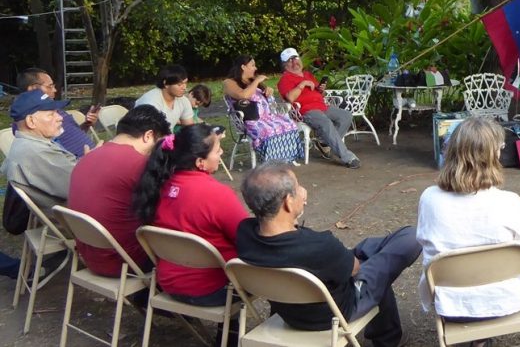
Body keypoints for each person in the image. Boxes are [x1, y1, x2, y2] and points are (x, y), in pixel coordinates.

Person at [237, 163, 419, 347]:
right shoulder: (320, 245)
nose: (303, 191)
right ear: (287, 201)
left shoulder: (244, 234)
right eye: (298, 186)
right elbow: (355, 269)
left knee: (370, 254)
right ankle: (387, 340)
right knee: (411, 238)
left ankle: (388, 337)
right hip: (334, 314)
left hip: (289, 312)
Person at [416, 117, 520, 330]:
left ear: (451, 152)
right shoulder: (511, 203)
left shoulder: (429, 199)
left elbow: (426, 246)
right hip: (506, 301)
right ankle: (480, 339)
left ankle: (478, 339)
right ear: (494, 155)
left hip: (451, 305)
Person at [131, 124, 247, 307]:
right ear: (200, 162)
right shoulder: (217, 194)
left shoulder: (156, 187)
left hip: (169, 283)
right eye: (217, 150)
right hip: (215, 289)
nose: (222, 152)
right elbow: (246, 238)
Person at [68, 105, 171, 276]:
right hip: (124, 261)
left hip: (89, 255)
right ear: (148, 136)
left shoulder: (88, 156)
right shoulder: (139, 164)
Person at [276, 48, 361, 169]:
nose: (294, 62)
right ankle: (347, 157)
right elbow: (290, 97)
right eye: (290, 60)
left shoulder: (307, 75)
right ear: (285, 65)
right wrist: (302, 84)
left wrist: (321, 90)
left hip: (322, 106)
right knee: (325, 123)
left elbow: (319, 93)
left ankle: (324, 143)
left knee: (346, 116)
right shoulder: (285, 79)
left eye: (296, 58)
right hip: (305, 110)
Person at [1, 91, 78, 207]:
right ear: (31, 121)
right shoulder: (38, 152)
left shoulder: (26, 144)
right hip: (80, 213)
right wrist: (92, 164)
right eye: (51, 114)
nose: (60, 118)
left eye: (57, 112)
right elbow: (83, 187)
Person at [223, 55, 305, 163]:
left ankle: (286, 157)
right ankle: (270, 161)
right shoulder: (229, 82)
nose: (255, 68)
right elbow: (243, 95)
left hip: (267, 117)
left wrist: (267, 91)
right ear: (243, 67)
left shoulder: (251, 81)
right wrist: (257, 81)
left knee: (290, 124)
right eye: (253, 65)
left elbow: (262, 98)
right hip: (250, 120)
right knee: (268, 130)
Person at [16, 68, 97, 158]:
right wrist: (88, 161)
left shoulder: (54, 112)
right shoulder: (27, 123)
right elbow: (53, 156)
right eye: (50, 86)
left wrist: (87, 124)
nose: (55, 90)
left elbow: (71, 135)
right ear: (34, 88)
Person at [135, 65, 196, 130]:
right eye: (179, 84)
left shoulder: (183, 101)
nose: (184, 87)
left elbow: (190, 128)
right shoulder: (151, 103)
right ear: (166, 83)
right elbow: (149, 132)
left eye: (185, 83)